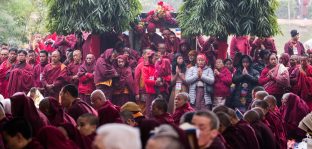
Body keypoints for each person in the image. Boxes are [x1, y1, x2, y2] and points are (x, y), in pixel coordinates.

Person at [134, 48, 153, 115]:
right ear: (143, 55)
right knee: (140, 109)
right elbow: (136, 80)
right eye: (148, 54)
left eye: (151, 54)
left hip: (151, 92)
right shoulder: (139, 66)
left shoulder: (153, 65)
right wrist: (137, 93)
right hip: (142, 92)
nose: (150, 55)